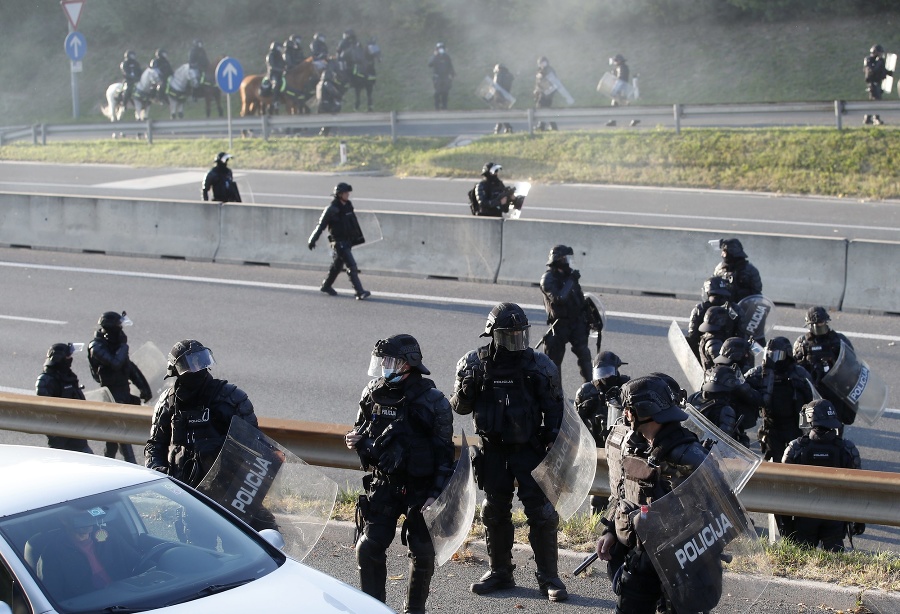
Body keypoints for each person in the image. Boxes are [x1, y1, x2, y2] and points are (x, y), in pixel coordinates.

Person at [450, 302, 568, 602]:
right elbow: (459, 407)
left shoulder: (540, 366)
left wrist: (552, 442)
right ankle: (500, 571)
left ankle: (549, 578)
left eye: (520, 333)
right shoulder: (473, 364)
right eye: (509, 334)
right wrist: (467, 388)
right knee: (494, 509)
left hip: (528, 449)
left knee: (542, 513)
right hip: (492, 449)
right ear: (493, 334)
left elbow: (556, 412)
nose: (516, 339)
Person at [345, 334, 454, 614]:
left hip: (420, 489)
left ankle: (413, 610)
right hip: (384, 484)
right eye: (382, 361)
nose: (385, 367)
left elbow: (445, 456)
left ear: (409, 364)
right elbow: (361, 431)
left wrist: (434, 495)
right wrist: (356, 441)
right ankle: (374, 609)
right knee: (368, 547)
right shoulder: (371, 393)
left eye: (391, 361)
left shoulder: (434, 402)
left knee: (423, 551)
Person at [596, 375, 710, 614]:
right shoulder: (638, 446)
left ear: (640, 411)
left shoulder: (685, 454)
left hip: (679, 560)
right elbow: (624, 494)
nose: (624, 415)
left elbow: (711, 508)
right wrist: (611, 530)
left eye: (628, 409)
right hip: (643, 555)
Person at [782, 399, 863, 551]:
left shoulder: (796, 447)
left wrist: (786, 524)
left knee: (801, 563)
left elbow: (780, 487)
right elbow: (859, 487)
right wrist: (858, 519)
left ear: (811, 419)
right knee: (836, 562)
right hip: (835, 515)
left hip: (804, 514)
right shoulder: (847, 449)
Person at [88, 311, 151, 463]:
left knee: (113, 437)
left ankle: (107, 463)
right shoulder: (96, 347)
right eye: (118, 326)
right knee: (122, 432)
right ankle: (132, 464)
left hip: (123, 392)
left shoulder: (116, 344)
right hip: (111, 395)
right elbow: (116, 363)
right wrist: (124, 346)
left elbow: (128, 367)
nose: (121, 330)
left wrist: (143, 387)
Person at [37, 506, 138, 600]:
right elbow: (54, 597)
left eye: (90, 515)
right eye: (81, 517)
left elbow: (137, 562)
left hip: (127, 598)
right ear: (64, 519)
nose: (88, 520)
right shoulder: (51, 554)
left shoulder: (110, 535)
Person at [574, 350, 630, 514]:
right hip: (597, 447)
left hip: (621, 447)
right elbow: (576, 424)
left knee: (624, 496)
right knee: (598, 496)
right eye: (600, 373)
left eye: (608, 372)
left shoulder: (625, 388)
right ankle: (595, 524)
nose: (604, 377)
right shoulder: (586, 392)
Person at [745, 336, 813, 462]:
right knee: (775, 463)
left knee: (797, 461)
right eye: (770, 355)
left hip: (794, 426)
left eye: (777, 355)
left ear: (787, 355)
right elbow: (743, 387)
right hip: (771, 427)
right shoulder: (760, 373)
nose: (773, 360)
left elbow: (812, 398)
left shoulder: (798, 373)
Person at [792, 306, 855, 426]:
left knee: (836, 426)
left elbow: (852, 365)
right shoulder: (802, 344)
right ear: (810, 326)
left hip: (835, 390)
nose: (820, 327)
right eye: (817, 325)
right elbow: (795, 369)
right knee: (811, 427)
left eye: (822, 324)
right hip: (813, 392)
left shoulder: (838, 341)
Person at [308, 182, 371, 300]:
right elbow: (320, 226)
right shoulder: (331, 209)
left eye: (348, 192)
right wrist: (312, 239)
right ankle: (359, 292)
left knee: (337, 266)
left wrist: (356, 237)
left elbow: (353, 223)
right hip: (339, 242)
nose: (348, 194)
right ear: (339, 194)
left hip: (348, 241)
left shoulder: (348, 205)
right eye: (345, 193)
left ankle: (326, 286)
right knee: (351, 266)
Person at [539, 244, 593, 383]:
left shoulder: (569, 275)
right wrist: (571, 281)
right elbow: (559, 298)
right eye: (566, 258)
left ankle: (591, 389)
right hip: (559, 324)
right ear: (558, 259)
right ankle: (555, 394)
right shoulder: (548, 278)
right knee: (553, 362)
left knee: (584, 355)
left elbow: (579, 299)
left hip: (575, 323)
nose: (569, 261)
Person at [35, 343, 93, 454]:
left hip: (76, 430)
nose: (70, 359)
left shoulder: (68, 376)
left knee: (89, 461)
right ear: (59, 359)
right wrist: (55, 435)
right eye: (68, 357)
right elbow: (44, 411)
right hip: (60, 435)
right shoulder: (45, 381)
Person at [685, 276, 743, 359]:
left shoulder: (699, 309)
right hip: (731, 356)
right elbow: (743, 336)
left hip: (707, 355)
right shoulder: (736, 310)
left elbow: (692, 337)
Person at [712, 238, 762, 302]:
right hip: (723, 306)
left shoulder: (750, 270)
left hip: (744, 308)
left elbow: (757, 294)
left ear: (731, 252)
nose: (722, 255)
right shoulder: (720, 268)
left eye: (724, 252)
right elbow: (713, 285)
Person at [863, 44, 892, 125]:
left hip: (878, 83)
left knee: (873, 101)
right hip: (872, 83)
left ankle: (867, 118)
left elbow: (882, 71)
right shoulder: (869, 60)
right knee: (876, 101)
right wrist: (879, 63)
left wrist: (888, 72)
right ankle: (876, 118)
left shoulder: (880, 61)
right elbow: (871, 71)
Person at [533, 56, 558, 131]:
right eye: (540, 63)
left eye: (543, 62)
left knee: (542, 109)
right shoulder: (541, 71)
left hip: (547, 93)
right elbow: (538, 83)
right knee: (545, 110)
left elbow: (551, 82)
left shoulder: (549, 70)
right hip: (542, 93)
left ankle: (541, 126)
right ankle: (552, 126)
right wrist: (536, 91)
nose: (542, 64)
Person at [428, 43, 455, 110]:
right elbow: (430, 64)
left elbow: (450, 66)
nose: (441, 50)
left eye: (442, 48)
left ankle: (444, 106)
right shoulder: (435, 57)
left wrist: (452, 74)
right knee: (437, 92)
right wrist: (435, 55)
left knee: (445, 92)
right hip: (437, 77)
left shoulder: (446, 57)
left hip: (445, 77)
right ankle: (437, 107)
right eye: (439, 48)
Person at [491, 63, 515, 134]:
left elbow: (495, 86)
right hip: (506, 96)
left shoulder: (498, 75)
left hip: (499, 97)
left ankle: (508, 127)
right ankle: (498, 127)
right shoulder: (508, 75)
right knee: (502, 113)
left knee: (500, 113)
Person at [264, 40, 287, 108]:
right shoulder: (270, 55)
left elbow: (283, 63)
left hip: (280, 73)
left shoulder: (279, 55)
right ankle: (275, 101)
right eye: (279, 47)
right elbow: (272, 66)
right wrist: (281, 70)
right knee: (277, 84)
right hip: (273, 74)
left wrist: (286, 67)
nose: (280, 48)